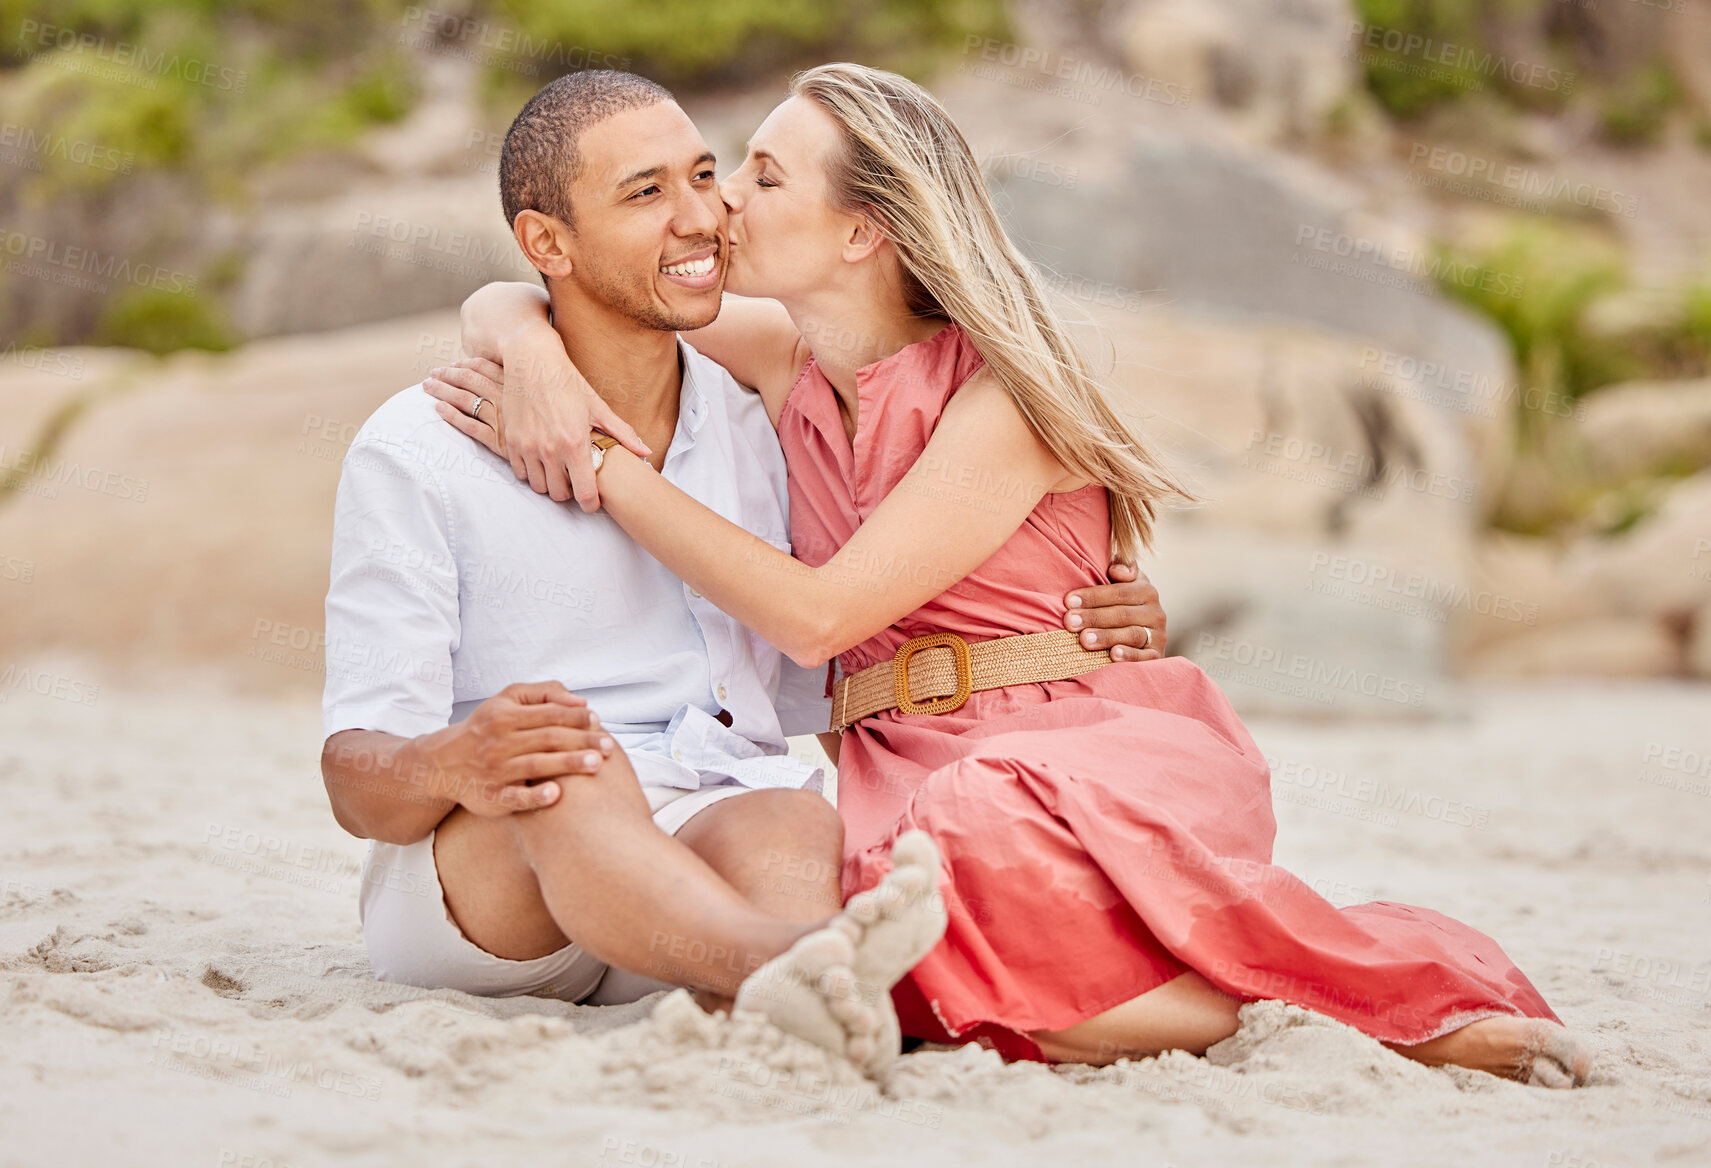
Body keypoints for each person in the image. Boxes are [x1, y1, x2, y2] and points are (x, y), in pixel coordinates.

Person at [429, 64, 1596, 1087]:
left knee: (958, 843)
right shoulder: (789, 363)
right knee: (899, 943)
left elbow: (816, 614)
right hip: (902, 764)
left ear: (861, 232)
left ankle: (1365, 1013)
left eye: (765, 175)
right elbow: (532, 292)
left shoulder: (996, 401)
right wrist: (523, 342)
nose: (723, 198)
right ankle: (1256, 1007)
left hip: (1070, 748)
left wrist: (602, 467)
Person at [321, 68, 1162, 1075]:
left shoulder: (764, 416)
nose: (703, 216)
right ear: (549, 243)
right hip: (492, 890)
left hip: (700, 841)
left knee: (791, 813)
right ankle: (802, 965)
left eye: (710, 174)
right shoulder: (424, 444)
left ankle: (770, 988)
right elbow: (356, 781)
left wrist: (1081, 619)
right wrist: (455, 761)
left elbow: (871, 593)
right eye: (645, 193)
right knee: (569, 762)